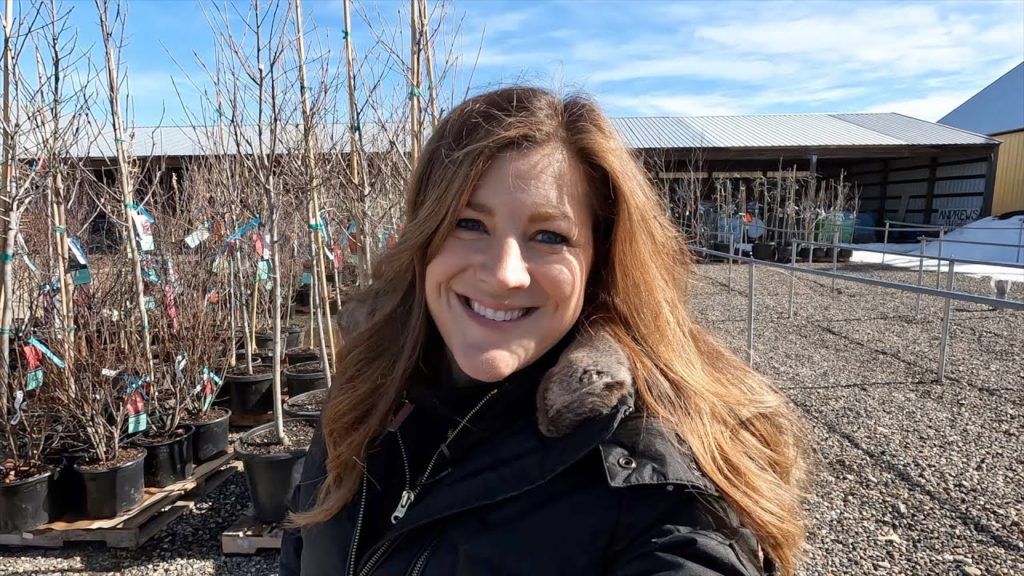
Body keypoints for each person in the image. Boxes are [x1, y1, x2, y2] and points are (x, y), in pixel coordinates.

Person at [280, 86, 808, 576]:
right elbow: (305, 540)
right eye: (469, 223)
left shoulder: (650, 485)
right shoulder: (369, 383)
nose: (505, 274)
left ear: (599, 258)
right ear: (424, 235)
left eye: (550, 236)